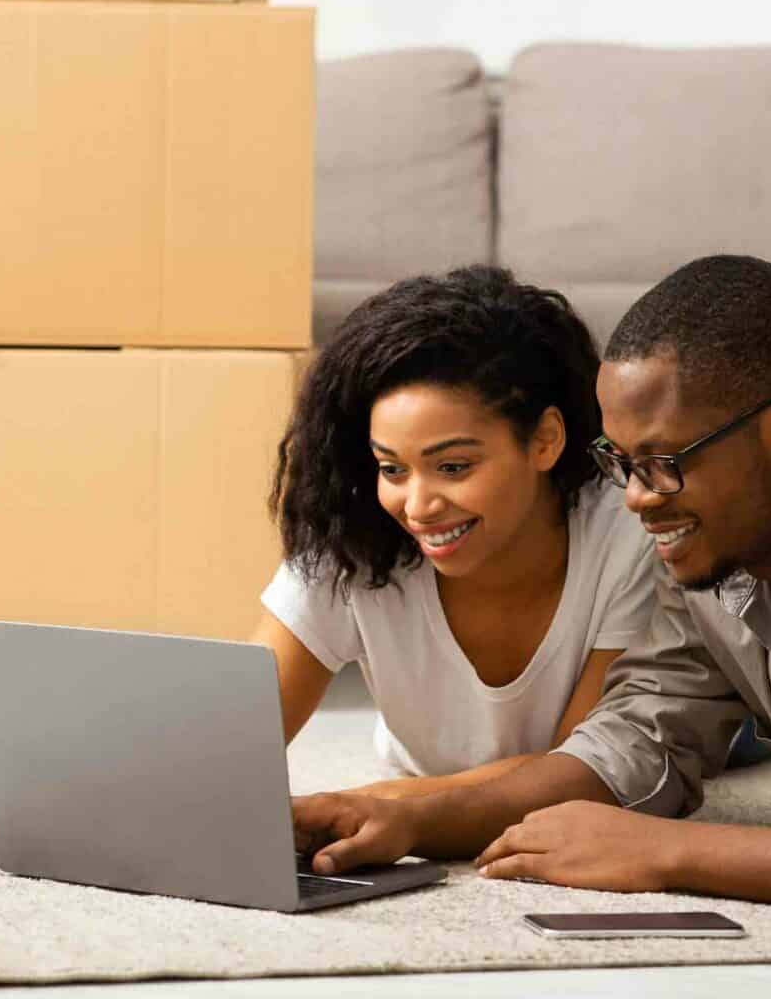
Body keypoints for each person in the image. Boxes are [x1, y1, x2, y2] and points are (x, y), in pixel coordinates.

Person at [291, 255, 771, 920]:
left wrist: (676, 852)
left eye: (664, 463)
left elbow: (657, 829)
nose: (638, 499)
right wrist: (414, 817)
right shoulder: (716, 546)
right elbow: (635, 739)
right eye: (621, 463)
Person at [255, 265, 656, 798]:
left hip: (687, 691)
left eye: (453, 468)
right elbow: (235, 745)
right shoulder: (354, 538)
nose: (418, 507)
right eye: (392, 469)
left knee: (712, 719)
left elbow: (581, 777)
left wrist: (377, 803)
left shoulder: (628, 535)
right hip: (430, 791)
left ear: (545, 441)